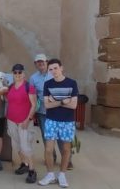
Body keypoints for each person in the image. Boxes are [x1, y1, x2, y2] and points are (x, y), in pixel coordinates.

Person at [39, 59, 79, 188]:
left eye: (55, 68)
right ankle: (50, 174)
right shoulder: (48, 84)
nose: (53, 71)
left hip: (67, 122)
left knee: (66, 149)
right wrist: (63, 101)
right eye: (50, 69)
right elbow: (46, 105)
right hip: (51, 120)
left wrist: (55, 100)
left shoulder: (72, 83)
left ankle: (62, 174)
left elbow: (74, 105)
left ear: (61, 68)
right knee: (48, 149)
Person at [30, 54, 71, 170]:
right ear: (35, 64)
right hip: (43, 112)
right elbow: (32, 95)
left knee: (61, 136)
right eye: (38, 62)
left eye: (42, 61)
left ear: (47, 62)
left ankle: (67, 159)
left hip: (58, 111)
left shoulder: (54, 73)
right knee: (46, 136)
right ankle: (51, 157)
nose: (41, 64)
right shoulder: (33, 78)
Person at [7, 63, 38, 184]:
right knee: (16, 146)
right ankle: (24, 164)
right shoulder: (10, 87)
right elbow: (9, 101)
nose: (17, 75)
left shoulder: (29, 87)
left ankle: (32, 170)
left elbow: (34, 105)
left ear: (24, 74)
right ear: (12, 74)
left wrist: (28, 120)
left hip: (24, 122)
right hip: (11, 120)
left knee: (25, 146)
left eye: (20, 72)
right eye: (15, 72)